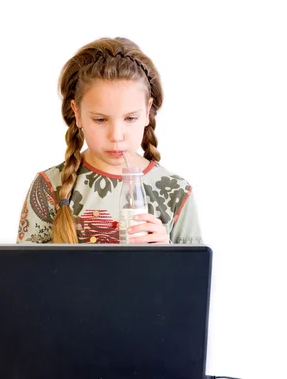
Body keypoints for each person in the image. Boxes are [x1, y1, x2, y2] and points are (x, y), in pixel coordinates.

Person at [16, 37, 203, 245]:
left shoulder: (176, 192)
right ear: (77, 113)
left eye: (130, 118)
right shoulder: (49, 187)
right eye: (100, 119)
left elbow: (194, 276)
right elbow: (23, 275)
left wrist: (165, 257)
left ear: (147, 111)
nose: (116, 136)